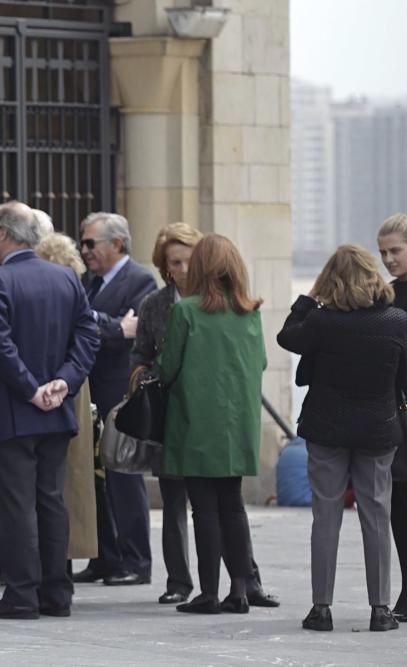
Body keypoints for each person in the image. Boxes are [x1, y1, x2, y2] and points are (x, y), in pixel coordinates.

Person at [131, 223, 278, 609]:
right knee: (233, 505)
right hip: (237, 426)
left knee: (204, 509)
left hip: (195, 424)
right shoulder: (250, 312)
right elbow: (260, 362)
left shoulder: (186, 311)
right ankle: (241, 590)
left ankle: (210, 592)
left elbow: (167, 368)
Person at [0, 202, 99, 619]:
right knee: (51, 500)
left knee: (16, 504)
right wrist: (65, 380)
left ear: (4, 234)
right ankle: (57, 592)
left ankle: (22, 592)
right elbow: (88, 332)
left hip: (12, 411)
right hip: (56, 409)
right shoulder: (65, 278)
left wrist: (31, 389)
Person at [279, 245, 407, 632]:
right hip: (378, 429)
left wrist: (306, 300)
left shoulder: (322, 322)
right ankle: (380, 609)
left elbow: (288, 338)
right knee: (376, 517)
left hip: (326, 429)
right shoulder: (397, 319)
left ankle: (321, 608)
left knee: (327, 518)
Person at [71, 212, 157, 587]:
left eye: (91, 243)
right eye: (83, 243)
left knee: (124, 476)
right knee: (95, 479)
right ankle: (105, 556)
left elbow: (134, 334)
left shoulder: (140, 280)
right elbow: (87, 326)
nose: (84, 250)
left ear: (117, 244)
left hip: (120, 393)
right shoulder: (88, 282)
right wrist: (109, 325)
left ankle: (136, 560)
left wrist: (99, 326)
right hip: (91, 391)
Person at [34, 232, 98, 564]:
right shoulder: (75, 290)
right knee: (67, 479)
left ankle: (53, 557)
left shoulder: (48, 291)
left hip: (53, 385)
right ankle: (63, 557)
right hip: (70, 382)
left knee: (55, 480)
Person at [377, 212, 407, 622]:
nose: (388, 259)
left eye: (396, 250)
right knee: (399, 504)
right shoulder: (384, 296)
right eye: (383, 252)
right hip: (397, 415)